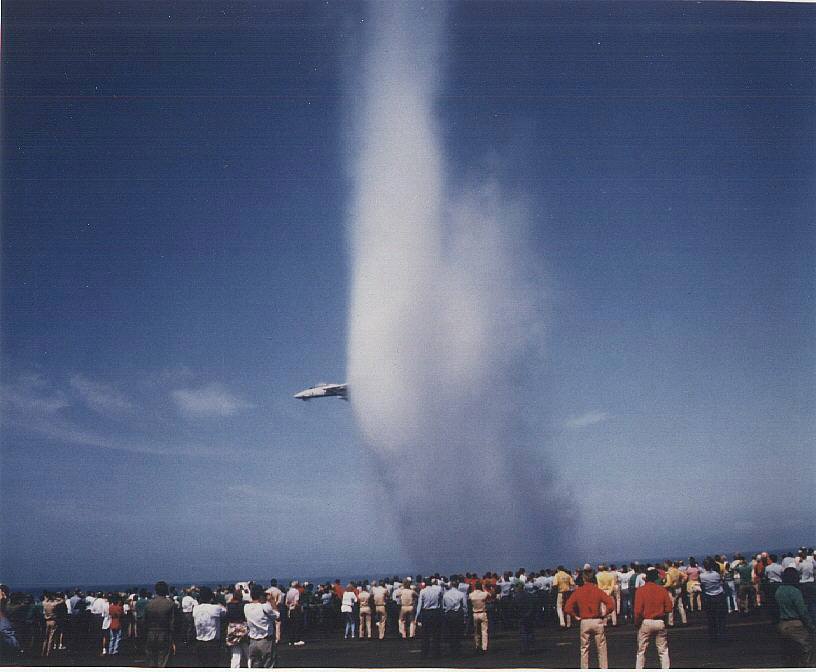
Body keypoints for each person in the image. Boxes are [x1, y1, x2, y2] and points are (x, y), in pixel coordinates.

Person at [564, 569, 616, 669]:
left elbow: (567, 607)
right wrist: (605, 614)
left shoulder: (578, 591)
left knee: (584, 649)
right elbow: (610, 604)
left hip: (584, 621)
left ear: (583, 579)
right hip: (597, 621)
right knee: (601, 648)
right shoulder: (598, 591)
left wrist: (575, 616)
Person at [633, 567, 673, 669]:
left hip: (645, 621)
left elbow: (637, 611)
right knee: (663, 650)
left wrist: (637, 623)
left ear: (646, 577)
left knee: (641, 651)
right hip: (660, 621)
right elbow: (669, 608)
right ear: (656, 577)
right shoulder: (662, 590)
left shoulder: (640, 591)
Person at [776, 566, 815, 667]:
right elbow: (803, 612)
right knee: (808, 648)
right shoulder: (795, 591)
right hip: (795, 624)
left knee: (790, 652)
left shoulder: (779, 591)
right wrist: (811, 626)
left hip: (782, 624)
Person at [244, 585, 278, 668]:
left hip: (253, 641)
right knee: (268, 665)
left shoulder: (246, 607)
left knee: (255, 665)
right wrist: (272, 600)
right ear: (260, 595)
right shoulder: (265, 606)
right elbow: (277, 615)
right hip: (266, 640)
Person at [192, 587, 226, 667]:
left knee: (202, 665)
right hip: (213, 643)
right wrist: (217, 603)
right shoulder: (216, 608)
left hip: (200, 642)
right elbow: (224, 612)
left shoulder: (195, 609)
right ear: (211, 598)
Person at [699, 558, 727, 643]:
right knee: (721, 618)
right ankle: (722, 636)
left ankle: (713, 637)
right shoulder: (716, 574)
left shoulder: (702, 576)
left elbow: (702, 586)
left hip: (709, 597)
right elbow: (721, 581)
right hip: (719, 596)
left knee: (711, 619)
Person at [415, 578, 443, 658]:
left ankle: (424, 653)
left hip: (426, 613)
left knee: (425, 634)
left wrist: (417, 616)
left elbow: (420, 605)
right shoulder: (437, 591)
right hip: (435, 612)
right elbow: (440, 602)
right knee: (436, 634)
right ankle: (436, 653)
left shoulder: (422, 591)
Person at [442, 578, 468, 655]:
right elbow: (465, 606)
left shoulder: (446, 594)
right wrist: (465, 616)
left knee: (451, 632)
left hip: (449, 614)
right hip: (458, 614)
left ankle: (452, 649)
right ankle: (457, 649)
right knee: (458, 632)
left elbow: (444, 607)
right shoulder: (461, 594)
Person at [226, 589, 249, 669]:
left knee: (235, 654)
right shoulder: (244, 604)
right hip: (243, 628)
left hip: (232, 629)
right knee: (248, 653)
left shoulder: (229, 605)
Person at [513, 581, 536, 654]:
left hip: (521, 616)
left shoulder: (516, 596)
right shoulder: (529, 595)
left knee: (523, 633)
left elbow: (515, 607)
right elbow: (533, 605)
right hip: (529, 615)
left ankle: (525, 649)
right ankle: (531, 647)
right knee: (530, 632)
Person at [663, 562, 687, 626]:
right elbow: (685, 576)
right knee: (680, 605)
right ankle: (684, 620)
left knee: (671, 606)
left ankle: (671, 622)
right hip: (679, 588)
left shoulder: (668, 573)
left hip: (672, 590)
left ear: (667, 565)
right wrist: (681, 583)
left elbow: (668, 583)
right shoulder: (677, 570)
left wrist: (662, 586)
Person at [469, 580, 490, 653]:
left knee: (476, 632)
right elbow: (489, 595)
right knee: (484, 631)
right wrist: (484, 588)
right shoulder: (484, 594)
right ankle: (484, 647)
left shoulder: (471, 594)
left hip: (475, 613)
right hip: (482, 612)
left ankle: (477, 645)